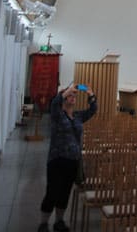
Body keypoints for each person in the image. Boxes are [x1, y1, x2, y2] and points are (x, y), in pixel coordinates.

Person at [38, 83, 97, 232]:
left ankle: (59, 221)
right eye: (69, 95)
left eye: (74, 96)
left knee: (65, 192)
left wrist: (90, 94)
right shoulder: (57, 114)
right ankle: (43, 223)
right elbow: (54, 103)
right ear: (64, 98)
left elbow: (92, 110)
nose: (72, 98)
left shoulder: (77, 116)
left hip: (73, 160)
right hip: (57, 159)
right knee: (52, 192)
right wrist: (67, 91)